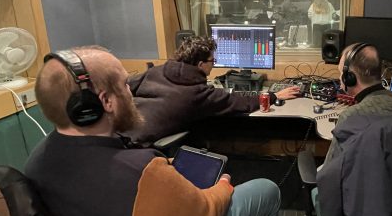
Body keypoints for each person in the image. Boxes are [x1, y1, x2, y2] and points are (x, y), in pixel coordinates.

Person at [24, 46, 291, 216]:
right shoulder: (141, 172)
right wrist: (224, 185)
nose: (132, 94)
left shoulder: (36, 161)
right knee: (265, 191)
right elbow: (206, 215)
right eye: (125, 86)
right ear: (104, 102)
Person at [128, 36, 300, 144]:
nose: (214, 63)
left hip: (121, 133)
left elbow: (125, 86)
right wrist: (274, 94)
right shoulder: (198, 93)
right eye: (212, 61)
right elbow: (240, 101)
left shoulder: (154, 71)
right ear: (201, 65)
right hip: (144, 145)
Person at [324, 42, 392, 164]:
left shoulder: (351, 116)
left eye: (341, 73)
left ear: (350, 77)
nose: (339, 78)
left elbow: (330, 169)